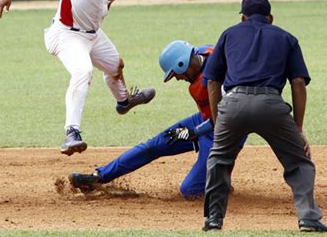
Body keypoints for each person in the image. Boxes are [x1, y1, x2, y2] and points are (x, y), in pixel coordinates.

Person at [0, 0, 216, 156]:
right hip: (65, 34)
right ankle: (72, 132)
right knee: (83, 71)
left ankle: (124, 101)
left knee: (114, 66)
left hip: (93, 34)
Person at [202, 0, 327, 233]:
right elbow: (299, 83)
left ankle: (213, 219)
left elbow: (212, 81)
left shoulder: (229, 34)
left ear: (243, 17)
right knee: (299, 162)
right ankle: (308, 218)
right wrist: (298, 128)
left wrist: (218, 119)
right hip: (271, 104)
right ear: (271, 18)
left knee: (218, 161)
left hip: (233, 104)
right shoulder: (286, 37)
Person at [69, 40, 246, 199]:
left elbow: (222, 120)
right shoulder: (204, 53)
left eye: (175, 74)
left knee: (190, 191)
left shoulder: (209, 80)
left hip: (225, 133)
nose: (177, 78)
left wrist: (194, 132)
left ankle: (218, 181)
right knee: (155, 144)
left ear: (182, 64)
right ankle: (98, 177)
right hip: (206, 120)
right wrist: (193, 131)